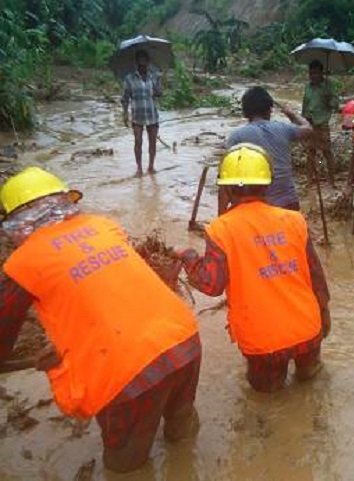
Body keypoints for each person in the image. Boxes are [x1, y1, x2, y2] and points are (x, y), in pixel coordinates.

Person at [0, 167, 201, 472]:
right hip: (185, 340)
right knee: (182, 426)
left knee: (125, 465)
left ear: (15, 223)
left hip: (129, 372)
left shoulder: (22, 263)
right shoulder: (103, 226)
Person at [180, 143, 330, 393]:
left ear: (226, 189)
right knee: (310, 382)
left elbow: (211, 284)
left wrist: (189, 256)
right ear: (267, 184)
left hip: (263, 340)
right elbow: (316, 274)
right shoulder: (294, 220)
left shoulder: (220, 229)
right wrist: (324, 313)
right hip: (308, 327)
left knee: (266, 396)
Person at [220, 86, 313, 215]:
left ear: (245, 112)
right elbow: (308, 128)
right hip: (288, 204)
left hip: (257, 207)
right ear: (270, 109)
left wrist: (222, 217)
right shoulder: (284, 129)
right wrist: (291, 114)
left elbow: (226, 181)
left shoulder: (237, 136)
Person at [121, 49, 163, 177]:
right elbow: (125, 97)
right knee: (138, 141)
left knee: (152, 142)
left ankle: (151, 166)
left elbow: (160, 94)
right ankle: (139, 168)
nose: (142, 63)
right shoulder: (129, 78)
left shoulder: (154, 76)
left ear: (148, 62)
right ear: (136, 62)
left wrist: (158, 84)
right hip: (137, 115)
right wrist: (124, 114)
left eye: (144, 60)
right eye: (140, 60)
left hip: (152, 114)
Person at [302, 60, 340, 187]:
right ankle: (309, 179)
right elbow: (305, 104)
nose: (313, 76)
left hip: (322, 123)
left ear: (321, 73)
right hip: (310, 122)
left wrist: (329, 98)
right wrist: (302, 122)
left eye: (316, 73)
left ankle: (331, 181)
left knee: (327, 152)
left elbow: (335, 105)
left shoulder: (328, 86)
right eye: (311, 73)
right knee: (310, 152)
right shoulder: (308, 87)